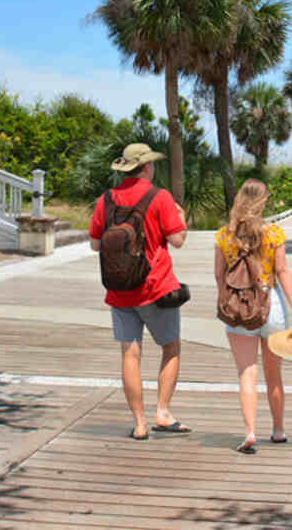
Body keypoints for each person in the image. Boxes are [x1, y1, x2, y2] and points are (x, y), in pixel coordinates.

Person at [89, 142, 190, 440]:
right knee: (170, 348)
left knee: (129, 355)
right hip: (156, 288)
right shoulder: (159, 197)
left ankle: (139, 423)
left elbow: (95, 244)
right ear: (146, 167)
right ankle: (162, 412)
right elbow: (178, 240)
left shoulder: (105, 200)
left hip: (119, 291)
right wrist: (181, 220)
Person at [214, 178, 292, 454]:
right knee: (274, 374)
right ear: (263, 202)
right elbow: (282, 272)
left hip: (238, 309)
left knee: (247, 372)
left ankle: (249, 432)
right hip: (272, 308)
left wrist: (229, 302)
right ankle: (279, 430)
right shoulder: (274, 234)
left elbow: (219, 276)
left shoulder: (224, 235)